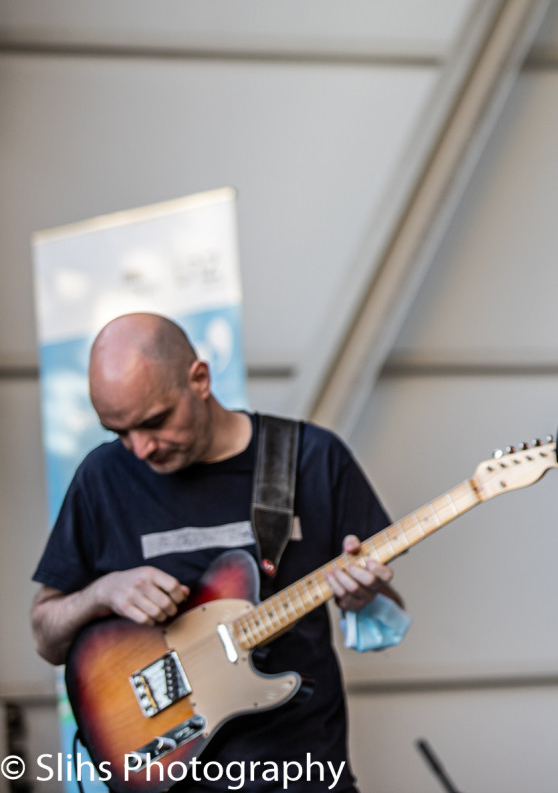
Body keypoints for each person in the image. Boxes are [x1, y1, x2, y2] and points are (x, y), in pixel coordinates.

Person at [30, 312, 400, 793]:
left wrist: (363, 598)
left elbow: (387, 617)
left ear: (200, 379)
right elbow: (46, 635)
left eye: (154, 422)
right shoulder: (102, 478)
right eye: (118, 431)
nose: (140, 449)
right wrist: (102, 592)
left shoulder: (313, 459)